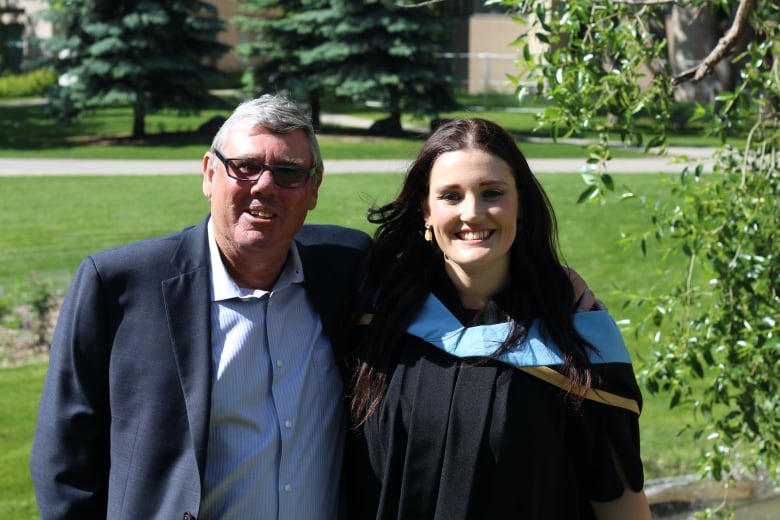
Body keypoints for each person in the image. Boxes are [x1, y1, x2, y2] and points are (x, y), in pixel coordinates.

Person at [29, 94, 372, 519]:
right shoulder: (117, 287)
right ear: (210, 173)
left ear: (314, 188)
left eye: (288, 173)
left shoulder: (346, 266)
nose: (265, 185)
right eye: (245, 167)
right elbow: (64, 461)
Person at [344, 118, 652, 519]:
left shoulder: (575, 334)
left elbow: (620, 504)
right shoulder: (376, 321)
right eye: (450, 196)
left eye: (492, 193)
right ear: (425, 211)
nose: (472, 213)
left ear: (520, 204)